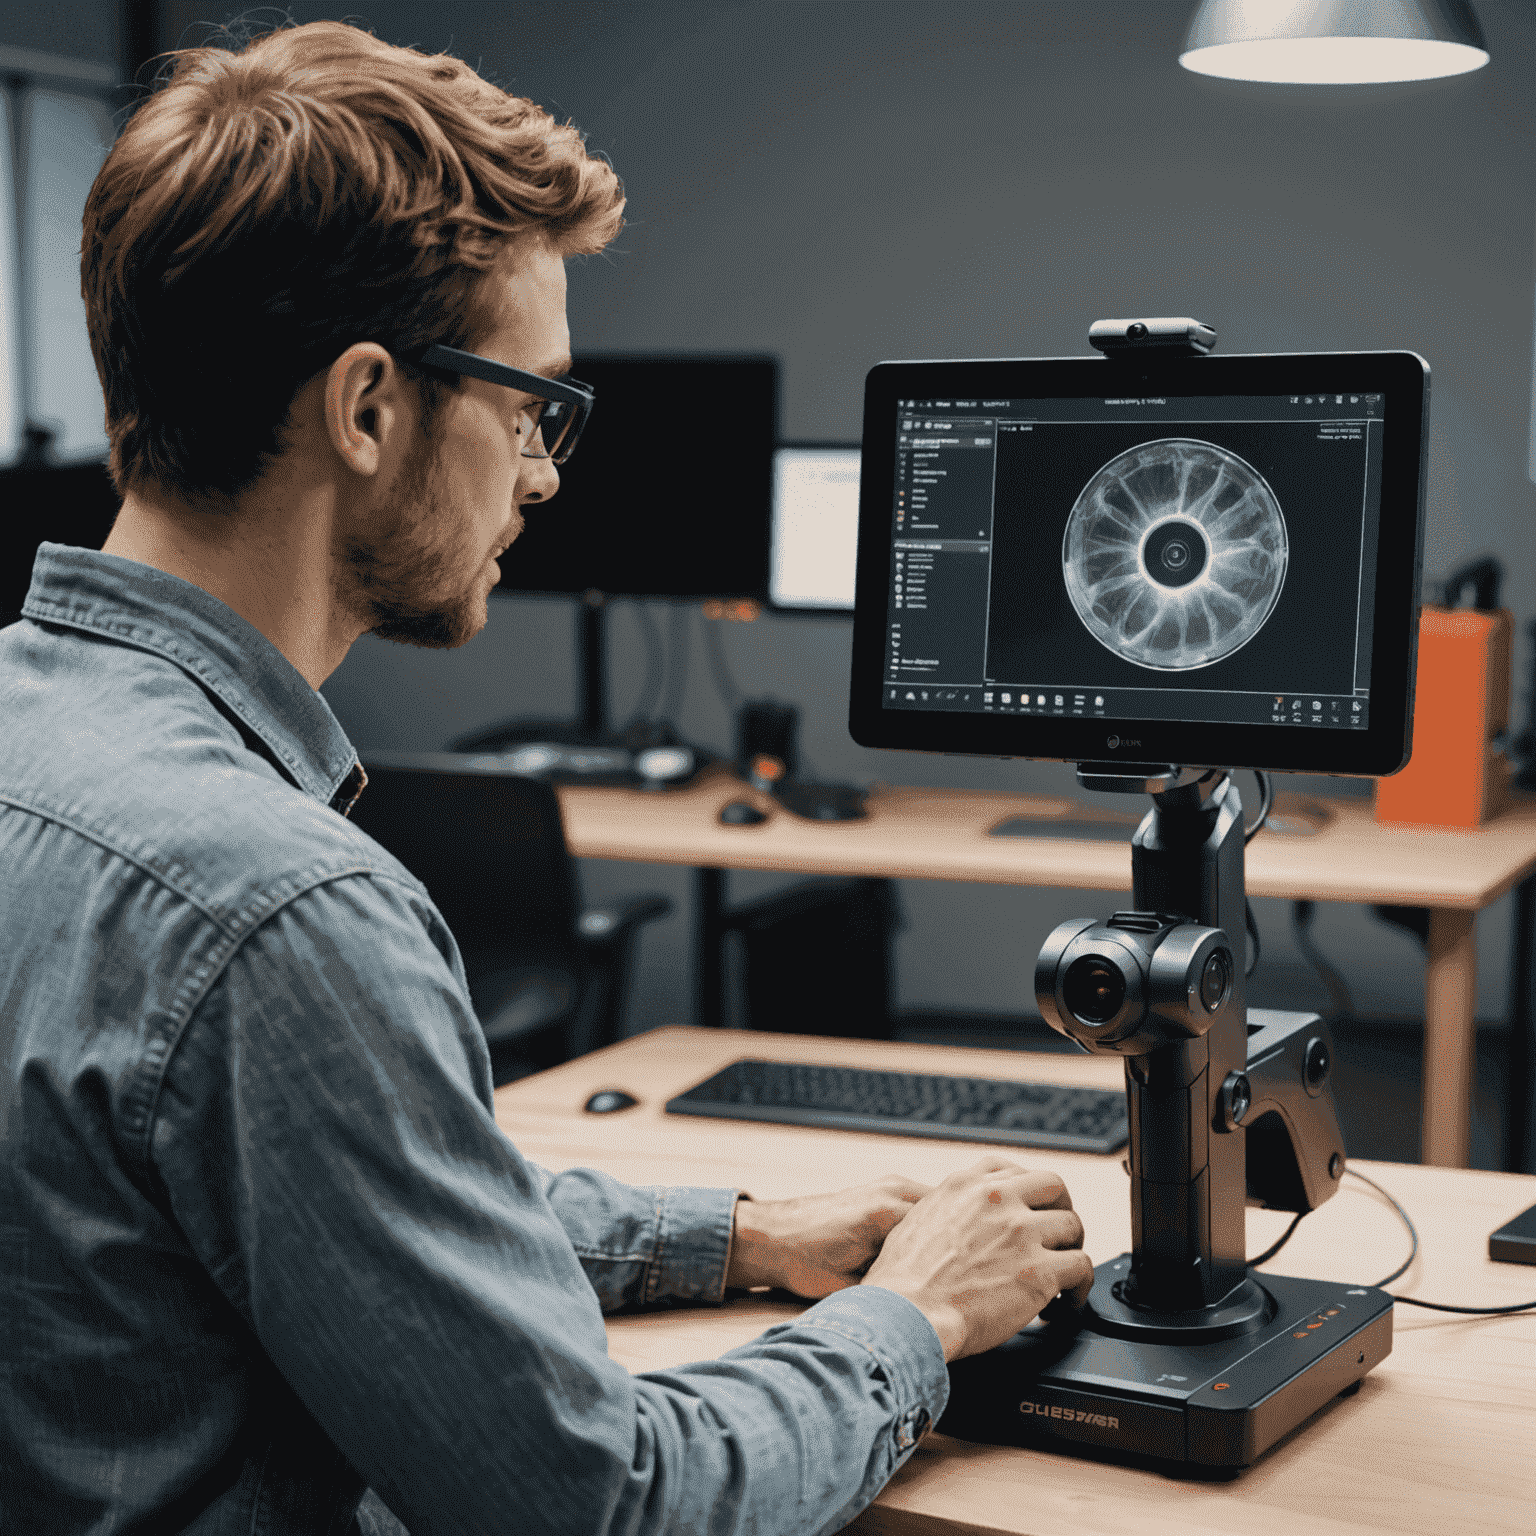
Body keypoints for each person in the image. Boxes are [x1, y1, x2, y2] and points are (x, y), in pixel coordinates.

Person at [0, 20, 1093, 1536]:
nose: (545, 474)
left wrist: (739, 1235)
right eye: (533, 407)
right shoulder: (275, 913)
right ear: (369, 408)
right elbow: (591, 1505)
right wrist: (912, 1321)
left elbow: (338, 1218)